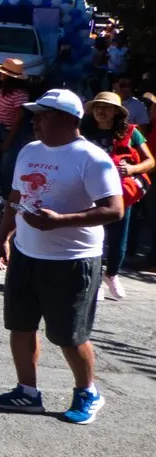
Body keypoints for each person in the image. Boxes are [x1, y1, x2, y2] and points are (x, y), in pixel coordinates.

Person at [0, 89, 124, 425]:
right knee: (20, 325)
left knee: (69, 335)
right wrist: (3, 234)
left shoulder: (91, 158)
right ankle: (27, 392)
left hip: (72, 259)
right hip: (26, 253)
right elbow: (16, 196)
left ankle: (87, 392)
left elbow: (114, 209)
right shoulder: (30, 151)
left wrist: (62, 221)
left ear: (66, 119)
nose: (35, 121)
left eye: (43, 115)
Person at [81, 91, 153, 301]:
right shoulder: (83, 131)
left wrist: (131, 170)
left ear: (116, 112)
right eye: (97, 107)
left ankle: (111, 274)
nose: (101, 111)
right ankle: (93, 279)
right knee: (92, 236)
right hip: (87, 190)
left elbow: (150, 161)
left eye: (106, 107)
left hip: (120, 193)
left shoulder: (132, 132)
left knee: (118, 241)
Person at [0, 58, 32, 205]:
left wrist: (9, 140)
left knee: (8, 167)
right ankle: (4, 196)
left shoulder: (21, 94)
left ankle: (11, 200)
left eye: (3, 73)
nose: (0, 74)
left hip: (10, 132)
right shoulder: (3, 90)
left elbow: (19, 119)